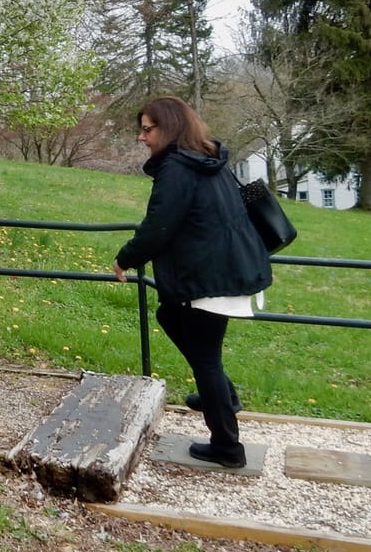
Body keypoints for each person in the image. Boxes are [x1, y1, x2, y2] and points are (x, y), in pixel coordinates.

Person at [111, 96, 272, 469]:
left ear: (169, 127)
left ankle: (227, 448)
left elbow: (159, 226)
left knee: (206, 362)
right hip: (226, 271)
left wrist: (125, 258)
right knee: (169, 315)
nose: (141, 137)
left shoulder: (179, 168)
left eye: (147, 129)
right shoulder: (207, 161)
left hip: (211, 278)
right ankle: (223, 396)